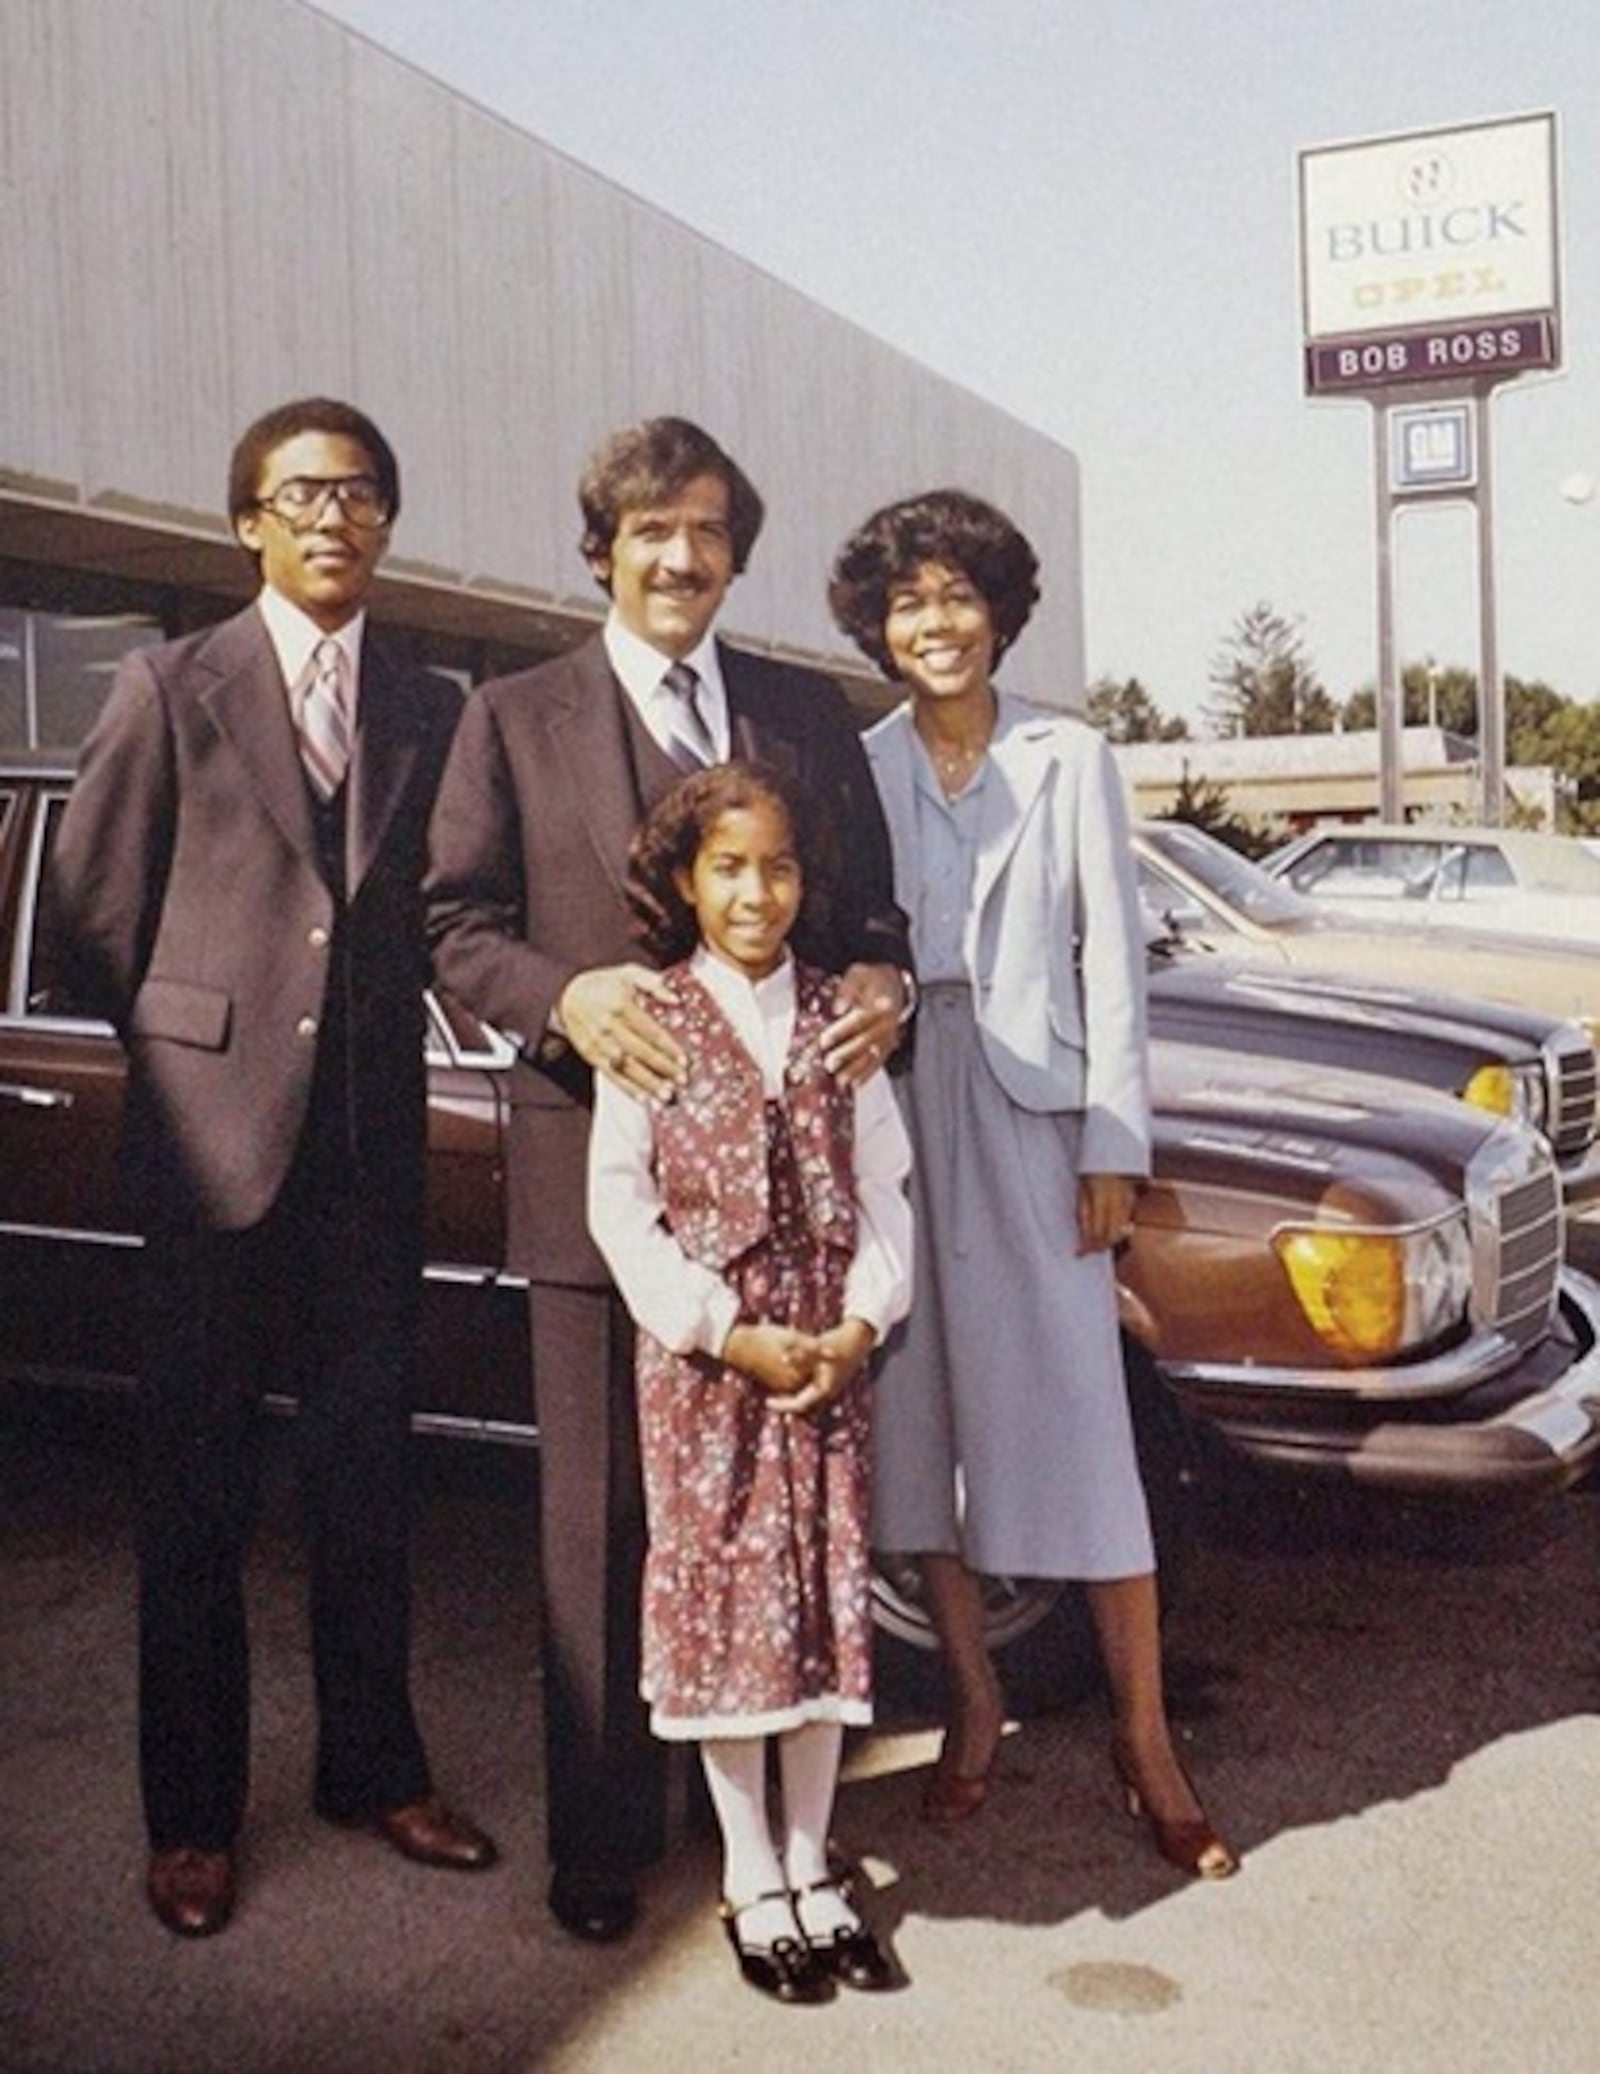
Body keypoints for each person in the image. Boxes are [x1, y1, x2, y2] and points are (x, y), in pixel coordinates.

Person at [425, 416, 912, 1943]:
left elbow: (877, 915)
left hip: (803, 1226)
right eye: (649, 529)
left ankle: (768, 1837)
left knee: (784, 1521)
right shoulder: (512, 715)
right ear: (601, 550)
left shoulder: (803, 712)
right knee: (605, 1528)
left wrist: (892, 980)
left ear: (733, 555)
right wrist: (562, 996)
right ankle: (601, 1834)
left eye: (705, 529)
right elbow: (453, 921)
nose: (679, 555)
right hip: (597, 1184)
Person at [47, 397, 498, 1940]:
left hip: (369, 1160)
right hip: (209, 1159)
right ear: (247, 520)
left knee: (370, 1485)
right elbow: (92, 920)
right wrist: (204, 1059)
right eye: (301, 494)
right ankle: (190, 1817)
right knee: (195, 1498)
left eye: (361, 493)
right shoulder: (168, 684)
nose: (332, 518)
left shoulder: (434, 705)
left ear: (386, 522)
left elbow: (455, 910)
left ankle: (374, 1768)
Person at [827, 488, 1238, 1880]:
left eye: (956, 597)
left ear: (1000, 610)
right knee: (919, 1419)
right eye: (908, 603)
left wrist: (1114, 1142)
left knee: (1082, 1424)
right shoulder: (860, 757)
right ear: (879, 627)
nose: (934, 623)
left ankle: (1145, 1737)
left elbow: (1112, 961)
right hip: (894, 1110)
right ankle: (976, 1701)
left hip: (1035, 1114)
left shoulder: (1073, 755)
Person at [587, 761, 912, 2002]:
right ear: (684, 880)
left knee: (823, 1604)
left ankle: (814, 1863)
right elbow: (619, 1207)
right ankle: (748, 1873)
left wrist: (860, 1324)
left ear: (804, 880)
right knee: (732, 1617)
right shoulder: (653, 1020)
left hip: (823, 1363)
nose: (755, 890)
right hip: (712, 1373)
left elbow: (887, 1191)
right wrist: (722, 1329)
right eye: (727, 866)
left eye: (776, 866)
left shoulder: (843, 1018)